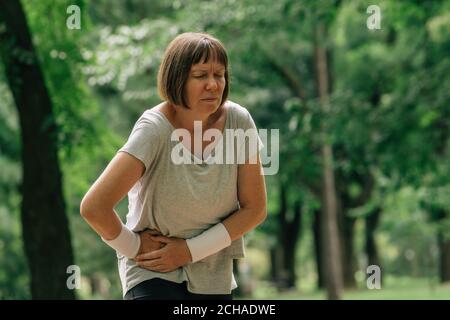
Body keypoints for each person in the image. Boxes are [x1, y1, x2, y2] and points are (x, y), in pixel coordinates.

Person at [80, 32, 267, 300]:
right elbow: (94, 207)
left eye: (219, 74)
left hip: (212, 273)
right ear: (177, 79)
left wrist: (190, 250)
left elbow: (255, 209)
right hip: (152, 272)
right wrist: (133, 247)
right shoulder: (154, 129)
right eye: (201, 75)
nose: (213, 85)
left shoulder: (239, 121)